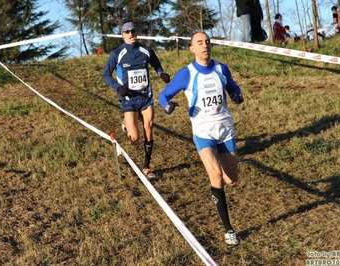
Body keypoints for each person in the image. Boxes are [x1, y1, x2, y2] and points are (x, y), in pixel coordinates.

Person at [158, 32, 244, 245]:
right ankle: (228, 229)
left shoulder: (221, 69)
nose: (205, 45)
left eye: (207, 42)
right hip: (203, 131)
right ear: (192, 48)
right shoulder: (186, 74)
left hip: (225, 129)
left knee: (231, 180)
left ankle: (219, 184)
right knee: (215, 176)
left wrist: (237, 95)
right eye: (200, 43)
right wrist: (167, 106)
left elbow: (233, 87)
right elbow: (163, 96)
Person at [102, 18, 170, 178]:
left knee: (149, 128)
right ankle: (126, 123)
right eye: (127, 32)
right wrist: (118, 88)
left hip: (145, 96)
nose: (131, 34)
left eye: (133, 31)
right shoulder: (117, 53)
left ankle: (147, 167)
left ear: (137, 32)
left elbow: (156, 65)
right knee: (134, 137)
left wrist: (161, 74)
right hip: (128, 99)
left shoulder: (146, 50)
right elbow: (105, 74)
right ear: (122, 34)